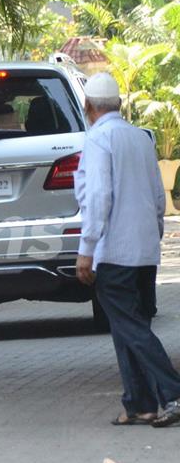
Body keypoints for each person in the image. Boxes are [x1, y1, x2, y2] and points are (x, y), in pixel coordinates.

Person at [74, 72, 180, 428]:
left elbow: (98, 196)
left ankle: (173, 393)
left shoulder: (98, 139)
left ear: (88, 106)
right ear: (117, 105)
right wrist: (155, 235)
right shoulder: (139, 138)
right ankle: (139, 403)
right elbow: (155, 197)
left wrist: (86, 249)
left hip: (114, 251)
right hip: (144, 251)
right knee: (128, 327)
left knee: (131, 328)